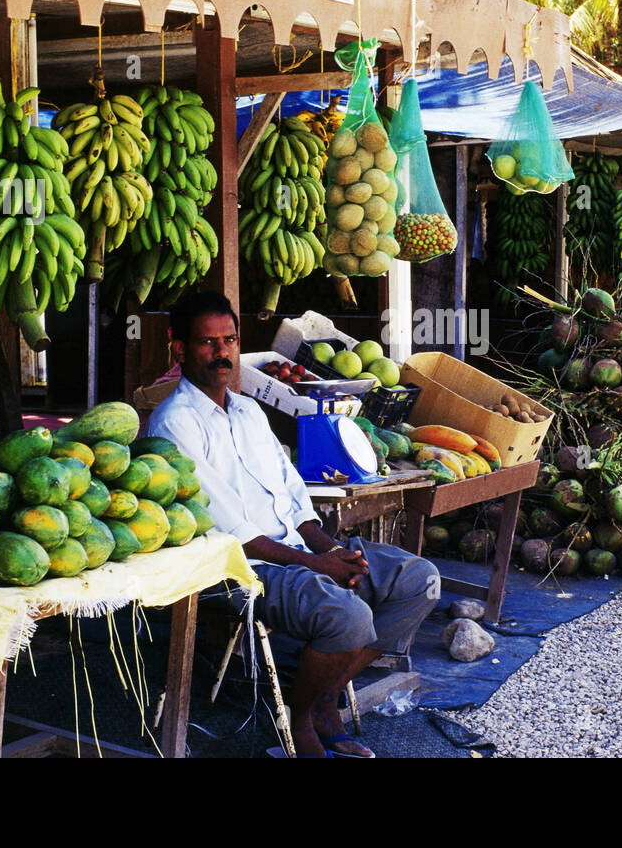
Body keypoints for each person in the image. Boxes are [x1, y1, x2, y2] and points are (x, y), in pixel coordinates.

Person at [146, 290, 439, 758]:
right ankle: (299, 720)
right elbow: (229, 530)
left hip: (297, 551)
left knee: (419, 581)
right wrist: (315, 563)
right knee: (349, 617)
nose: (222, 353)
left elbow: (293, 495)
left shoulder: (248, 412)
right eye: (207, 342)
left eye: (229, 340)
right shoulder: (174, 424)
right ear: (179, 349)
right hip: (242, 569)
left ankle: (324, 697)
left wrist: (330, 549)